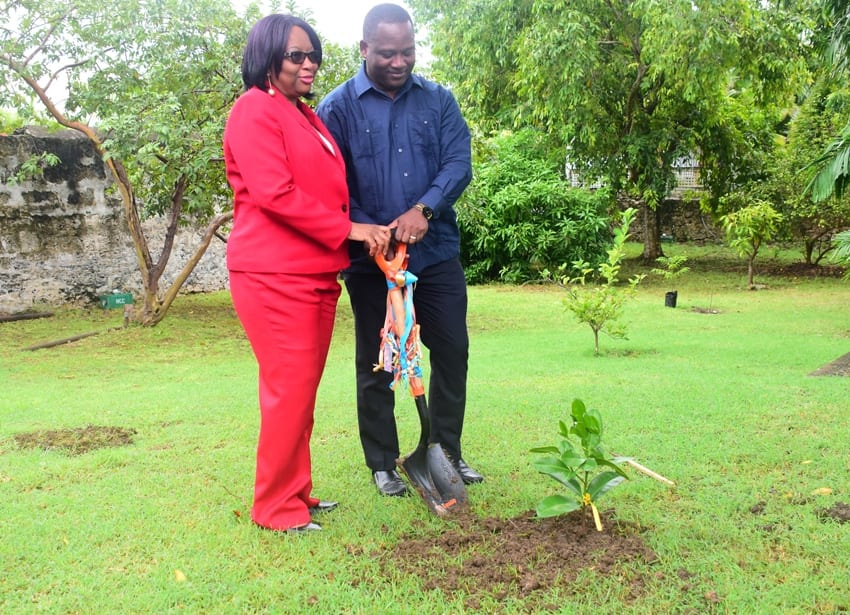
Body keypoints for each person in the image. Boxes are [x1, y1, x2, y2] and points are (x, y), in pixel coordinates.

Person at [223, 14, 391, 532]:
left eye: (313, 54)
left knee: (301, 391)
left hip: (313, 274)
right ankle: (274, 508)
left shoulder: (305, 115)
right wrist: (352, 229)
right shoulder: (254, 110)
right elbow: (276, 194)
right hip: (274, 276)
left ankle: (296, 492)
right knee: (288, 390)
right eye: (296, 56)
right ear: (268, 59)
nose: (308, 64)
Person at [317, 3, 483, 497]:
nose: (399, 61)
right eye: (387, 52)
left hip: (435, 258)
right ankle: (383, 462)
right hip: (372, 265)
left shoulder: (439, 101)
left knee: (452, 350)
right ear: (364, 49)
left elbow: (457, 164)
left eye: (407, 51)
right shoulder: (336, 108)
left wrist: (424, 210)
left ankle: (446, 452)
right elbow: (327, 183)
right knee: (379, 362)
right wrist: (361, 230)